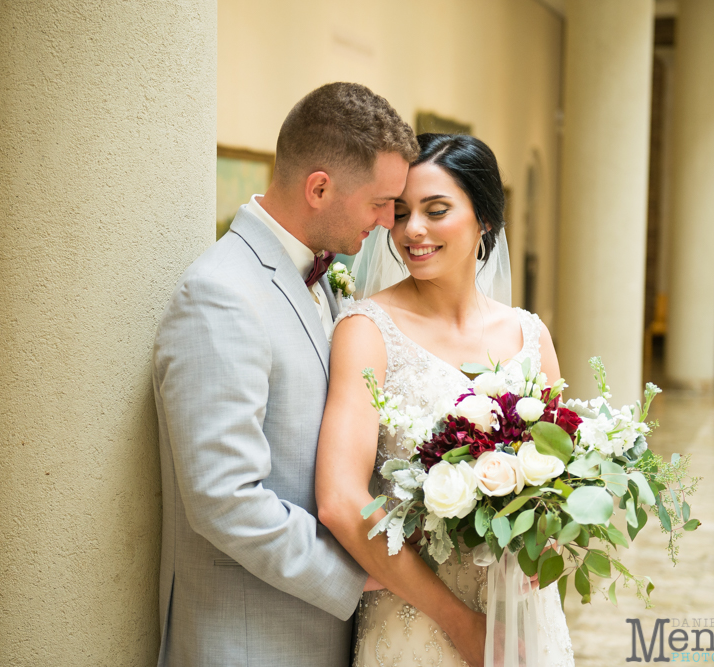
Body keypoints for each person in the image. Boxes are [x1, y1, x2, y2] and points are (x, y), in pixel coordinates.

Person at [153, 82, 425, 666]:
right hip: (251, 642)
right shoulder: (221, 296)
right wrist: (358, 573)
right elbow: (224, 498)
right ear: (320, 188)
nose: (387, 224)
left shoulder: (320, 276)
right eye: (380, 202)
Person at [316, 133, 575, 667]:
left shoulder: (530, 335)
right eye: (401, 212)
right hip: (414, 617)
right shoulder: (368, 331)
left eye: (436, 210)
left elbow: (565, 479)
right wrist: (460, 622)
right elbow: (342, 500)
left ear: (483, 218)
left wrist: (547, 538)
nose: (413, 230)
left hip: (522, 614)